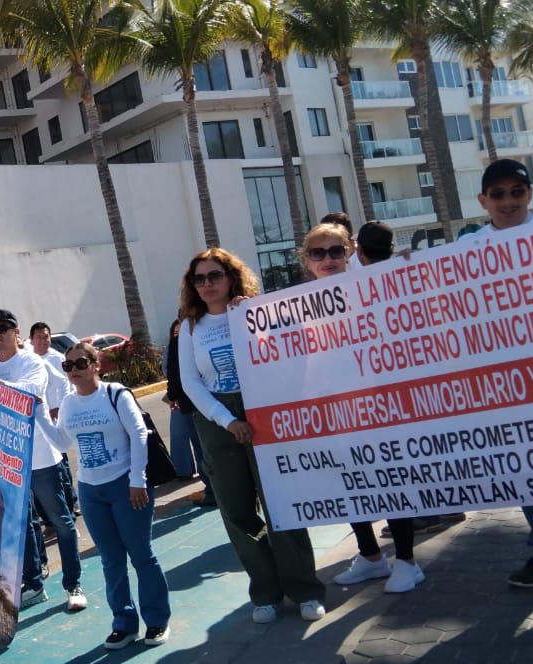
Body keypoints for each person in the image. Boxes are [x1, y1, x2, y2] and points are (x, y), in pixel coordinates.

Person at [177, 250, 326, 623]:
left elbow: (286, 355)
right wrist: (227, 420)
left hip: (262, 412)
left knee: (280, 501)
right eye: (200, 279)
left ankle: (304, 589)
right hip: (217, 421)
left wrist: (252, 316)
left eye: (215, 275)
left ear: (231, 276)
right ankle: (265, 591)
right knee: (237, 508)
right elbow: (191, 383)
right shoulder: (190, 327)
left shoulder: (256, 312)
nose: (207, 284)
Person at [301, 223, 423, 593]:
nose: (328, 259)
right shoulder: (296, 304)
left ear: (350, 250)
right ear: (307, 260)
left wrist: (403, 265)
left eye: (336, 251)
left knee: (390, 478)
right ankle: (370, 557)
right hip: (335, 409)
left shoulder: (374, 280)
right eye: (318, 253)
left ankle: (407, 561)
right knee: (350, 483)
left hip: (380, 405)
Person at [461, 159, 533, 588]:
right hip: (510, 382)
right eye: (498, 194)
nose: (508, 201)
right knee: (529, 465)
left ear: (530, 194)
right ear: (483, 201)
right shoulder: (466, 249)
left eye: (516, 192)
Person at [38, 342, 171, 649]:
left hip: (126, 486)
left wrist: (137, 479)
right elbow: (61, 442)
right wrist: (40, 415)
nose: (73, 371)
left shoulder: (115, 394)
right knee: (111, 560)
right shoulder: (70, 404)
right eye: (67, 366)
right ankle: (123, 623)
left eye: (80, 363)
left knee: (141, 554)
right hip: (90, 490)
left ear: (96, 364)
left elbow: (139, 434)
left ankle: (157, 621)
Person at [0, 308, 85, 612]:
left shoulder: (31, 362)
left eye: (3, 328)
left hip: (42, 458)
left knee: (62, 522)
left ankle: (73, 584)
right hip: (10, 462)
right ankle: (35, 584)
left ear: (16, 332)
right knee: (23, 524)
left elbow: (30, 391)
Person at [162, 317, 215, 507]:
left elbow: (175, 375)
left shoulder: (180, 343)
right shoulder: (208, 334)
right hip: (212, 399)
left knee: (202, 448)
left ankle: (212, 490)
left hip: (193, 404)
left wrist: (173, 395)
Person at [30, 321, 78, 518]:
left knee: (61, 463)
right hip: (37, 423)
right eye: (39, 337)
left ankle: (71, 502)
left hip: (56, 420)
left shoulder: (58, 359)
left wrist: (59, 406)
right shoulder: (28, 359)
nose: (43, 340)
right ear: (31, 339)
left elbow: (68, 384)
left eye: (46, 336)